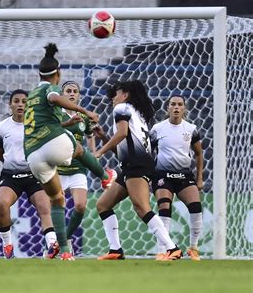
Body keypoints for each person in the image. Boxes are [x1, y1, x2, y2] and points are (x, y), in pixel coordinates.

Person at [23, 43, 116, 261]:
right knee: (79, 149)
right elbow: (54, 97)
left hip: (33, 154)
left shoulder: (32, 94)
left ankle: (64, 250)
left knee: (57, 200)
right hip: (54, 147)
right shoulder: (50, 89)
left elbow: (47, 115)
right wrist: (83, 110)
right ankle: (104, 177)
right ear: (58, 74)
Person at [93, 80, 182, 261]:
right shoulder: (137, 114)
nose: (112, 98)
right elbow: (121, 150)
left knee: (142, 207)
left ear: (125, 95)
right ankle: (115, 250)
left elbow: (121, 134)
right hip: (132, 164)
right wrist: (103, 137)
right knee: (103, 205)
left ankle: (172, 248)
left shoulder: (122, 108)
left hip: (137, 165)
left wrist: (99, 152)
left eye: (116, 93)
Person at [0, 89, 58, 259]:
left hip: (34, 174)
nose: (20, 104)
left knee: (44, 206)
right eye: (16, 101)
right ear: (10, 104)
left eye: (24, 101)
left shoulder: (37, 125)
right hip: (10, 176)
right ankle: (7, 245)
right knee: (1, 204)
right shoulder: (1, 128)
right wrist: (12, 163)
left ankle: (51, 244)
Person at [58, 80, 117, 255]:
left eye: (75, 91)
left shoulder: (83, 116)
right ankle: (56, 243)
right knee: (57, 208)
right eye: (68, 91)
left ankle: (65, 240)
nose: (71, 94)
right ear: (62, 95)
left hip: (78, 168)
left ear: (78, 95)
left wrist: (92, 153)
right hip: (58, 169)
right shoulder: (56, 114)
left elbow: (90, 134)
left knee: (80, 206)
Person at [150, 95, 204, 261]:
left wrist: (199, 177)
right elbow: (148, 153)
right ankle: (162, 250)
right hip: (162, 174)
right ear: (167, 108)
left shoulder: (191, 129)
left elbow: (199, 153)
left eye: (180, 104)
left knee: (195, 207)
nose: (176, 107)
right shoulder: (157, 129)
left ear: (184, 108)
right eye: (173, 104)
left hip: (184, 174)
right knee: (164, 207)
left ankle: (193, 248)